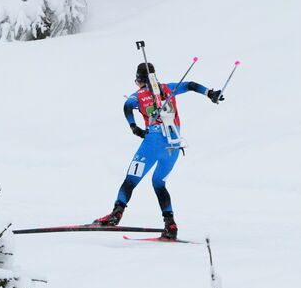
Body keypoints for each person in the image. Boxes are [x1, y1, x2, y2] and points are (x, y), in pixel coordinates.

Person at [92, 63, 224, 239]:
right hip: (174, 145)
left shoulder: (138, 95)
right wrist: (210, 93)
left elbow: (127, 106)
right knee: (159, 184)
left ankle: (116, 214)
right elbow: (190, 84)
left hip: (152, 144)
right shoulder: (168, 88)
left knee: (131, 179)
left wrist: (134, 127)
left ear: (139, 80)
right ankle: (170, 224)